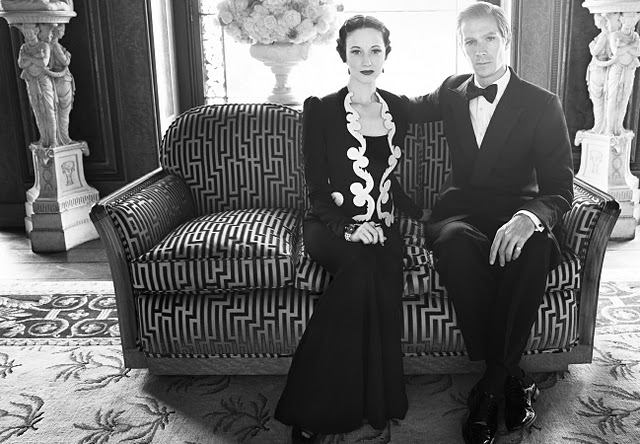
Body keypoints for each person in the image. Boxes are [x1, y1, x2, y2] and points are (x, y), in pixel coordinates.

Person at [404, 3, 574, 444]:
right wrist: (353, 94)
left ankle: (491, 387)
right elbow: (403, 108)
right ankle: (511, 377)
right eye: (470, 41)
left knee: (533, 248)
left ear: (506, 39)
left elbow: (560, 186)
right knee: (454, 242)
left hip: (517, 210)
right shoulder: (452, 91)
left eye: (489, 39)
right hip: (460, 213)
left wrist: (528, 218)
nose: (479, 50)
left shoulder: (542, 103)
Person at [274, 15, 429, 443]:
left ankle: (370, 398)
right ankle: (312, 403)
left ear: (386, 55)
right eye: (356, 50)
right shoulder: (321, 109)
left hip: (383, 226)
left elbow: (389, 175)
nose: (366, 59)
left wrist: (416, 213)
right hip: (330, 226)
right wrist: (348, 230)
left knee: (379, 269)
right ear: (343, 55)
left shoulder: (397, 107)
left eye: (375, 50)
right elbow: (317, 191)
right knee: (361, 265)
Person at [17, 23, 58, 148]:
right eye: (26, 33)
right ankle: (44, 138)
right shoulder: (24, 47)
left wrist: (29, 58)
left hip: (43, 80)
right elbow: (21, 64)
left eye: (30, 32)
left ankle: (53, 140)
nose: (28, 35)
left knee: (49, 109)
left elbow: (44, 62)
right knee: (37, 109)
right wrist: (36, 58)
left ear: (36, 31)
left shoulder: (44, 46)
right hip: (31, 80)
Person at [48, 23, 76, 145]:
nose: (63, 33)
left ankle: (60, 138)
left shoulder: (49, 45)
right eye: (62, 30)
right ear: (56, 31)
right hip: (62, 81)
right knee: (64, 110)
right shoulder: (55, 46)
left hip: (58, 80)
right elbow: (65, 62)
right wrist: (68, 55)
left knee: (59, 111)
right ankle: (64, 139)